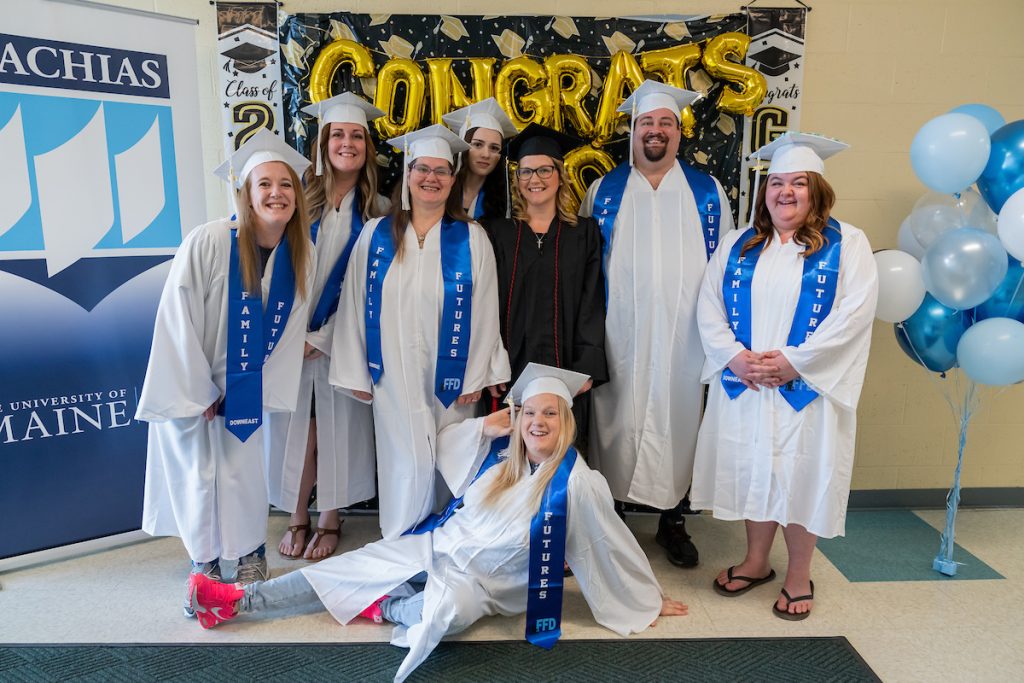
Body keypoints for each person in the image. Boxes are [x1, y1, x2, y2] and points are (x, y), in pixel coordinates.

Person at [187, 364, 688, 682]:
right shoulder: (498, 460)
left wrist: (643, 596)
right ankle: (234, 601)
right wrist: (491, 424)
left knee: (441, 618)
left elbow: (609, 543)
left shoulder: (579, 484)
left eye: (551, 415)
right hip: (435, 548)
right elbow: (448, 449)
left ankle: (386, 607)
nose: (538, 423)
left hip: (484, 586)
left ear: (567, 421)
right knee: (344, 570)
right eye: (529, 412)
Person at [691, 132, 878, 620]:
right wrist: (733, 356)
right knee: (757, 471)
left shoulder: (848, 243)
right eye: (776, 183)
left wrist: (797, 361)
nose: (785, 192)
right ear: (764, 191)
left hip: (807, 389)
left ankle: (798, 575)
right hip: (748, 384)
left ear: (817, 191)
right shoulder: (738, 243)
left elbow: (854, 315)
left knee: (801, 474)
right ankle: (756, 561)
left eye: (798, 183)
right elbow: (708, 304)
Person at [136, 129, 316, 616]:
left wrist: (250, 389)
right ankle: (205, 564)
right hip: (193, 386)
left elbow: (289, 330)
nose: (276, 193)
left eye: (285, 184)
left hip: (246, 388)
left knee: (243, 473)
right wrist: (200, 391)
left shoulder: (301, 254)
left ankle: (251, 552)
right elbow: (177, 319)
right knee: (198, 475)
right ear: (247, 192)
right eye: (264, 184)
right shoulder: (210, 240)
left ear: (297, 197)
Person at [579, 80, 734, 567]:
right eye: (647, 122)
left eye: (665, 122)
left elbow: (727, 269)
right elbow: (585, 268)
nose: (656, 130)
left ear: (679, 133)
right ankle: (616, 516)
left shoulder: (707, 193)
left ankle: (674, 521)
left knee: (681, 420)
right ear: (633, 130)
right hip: (617, 333)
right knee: (615, 421)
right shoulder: (603, 190)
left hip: (683, 338)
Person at [330, 124, 511, 540]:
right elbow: (354, 303)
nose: (431, 178)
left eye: (441, 171)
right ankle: (401, 540)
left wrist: (478, 375)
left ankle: (447, 541)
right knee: (402, 459)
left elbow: (486, 310)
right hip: (391, 372)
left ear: (453, 178)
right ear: (407, 176)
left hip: (454, 375)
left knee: (451, 454)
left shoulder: (472, 237)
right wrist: (356, 371)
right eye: (422, 169)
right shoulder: (377, 234)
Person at [266, 93, 388, 561]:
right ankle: (297, 515)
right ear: (323, 143)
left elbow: (374, 290)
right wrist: (291, 332)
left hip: (342, 339)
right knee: (297, 427)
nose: (347, 143)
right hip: (288, 338)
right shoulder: (297, 200)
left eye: (356, 135)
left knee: (336, 427)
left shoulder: (378, 209)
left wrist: (323, 336)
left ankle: (330, 518)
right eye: (338, 134)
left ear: (367, 148)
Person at [485, 123, 607, 453]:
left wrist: (587, 370)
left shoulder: (584, 234)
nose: (534, 179)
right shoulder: (496, 233)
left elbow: (592, 303)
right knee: (508, 455)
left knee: (562, 452)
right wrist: (489, 366)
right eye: (525, 172)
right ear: (516, 178)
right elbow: (484, 307)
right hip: (508, 370)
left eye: (543, 170)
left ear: (559, 174)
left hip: (567, 368)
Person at [442, 97, 517, 220]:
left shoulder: (504, 201)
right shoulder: (441, 192)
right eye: (477, 144)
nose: (486, 154)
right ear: (463, 147)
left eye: (494, 148)